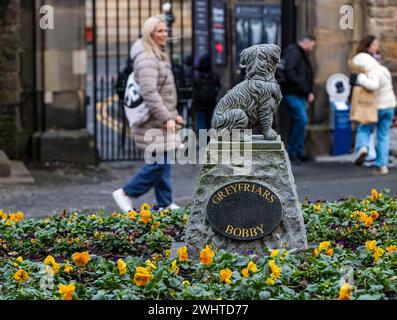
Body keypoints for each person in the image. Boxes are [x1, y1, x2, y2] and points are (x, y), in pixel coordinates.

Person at [112, 15, 183, 212]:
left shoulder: (156, 53)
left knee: (164, 160)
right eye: (159, 31)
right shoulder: (147, 58)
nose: (164, 34)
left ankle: (164, 203)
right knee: (158, 163)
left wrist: (174, 114)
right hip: (152, 121)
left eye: (166, 30)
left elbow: (164, 92)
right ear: (150, 33)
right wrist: (165, 117)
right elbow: (149, 92)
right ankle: (127, 193)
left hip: (159, 119)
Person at [351, 35, 397, 175]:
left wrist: (360, 77)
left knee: (364, 128)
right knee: (383, 136)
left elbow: (373, 85)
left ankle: (362, 148)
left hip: (377, 107)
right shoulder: (382, 68)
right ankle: (382, 166)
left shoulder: (372, 72)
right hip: (389, 106)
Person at [281, 35, 316, 164]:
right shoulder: (294, 52)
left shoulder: (300, 53)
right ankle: (292, 152)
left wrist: (307, 91)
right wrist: (304, 88)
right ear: (306, 43)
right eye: (312, 44)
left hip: (299, 93)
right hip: (292, 93)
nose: (313, 48)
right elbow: (290, 72)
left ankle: (299, 152)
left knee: (301, 122)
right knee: (302, 120)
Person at [192, 53, 221, 130]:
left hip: (199, 104)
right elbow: (218, 87)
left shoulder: (196, 75)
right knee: (210, 123)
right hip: (211, 103)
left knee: (201, 124)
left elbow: (194, 89)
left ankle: (202, 141)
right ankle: (209, 141)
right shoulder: (215, 74)